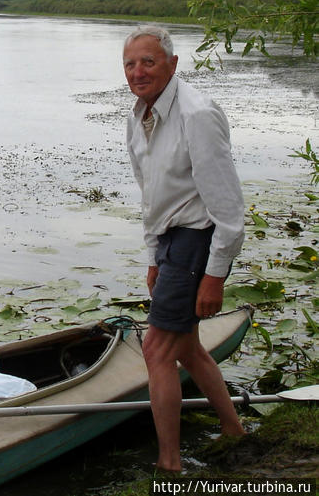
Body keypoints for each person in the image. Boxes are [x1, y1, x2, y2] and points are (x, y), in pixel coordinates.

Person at [122, 25, 247, 473]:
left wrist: (214, 276)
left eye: (149, 62)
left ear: (173, 65)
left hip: (198, 240)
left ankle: (169, 465)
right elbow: (151, 194)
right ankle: (234, 429)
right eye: (131, 64)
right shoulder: (140, 115)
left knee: (157, 349)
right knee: (187, 347)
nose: (138, 72)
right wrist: (155, 257)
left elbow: (230, 210)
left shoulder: (196, 114)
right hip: (173, 242)